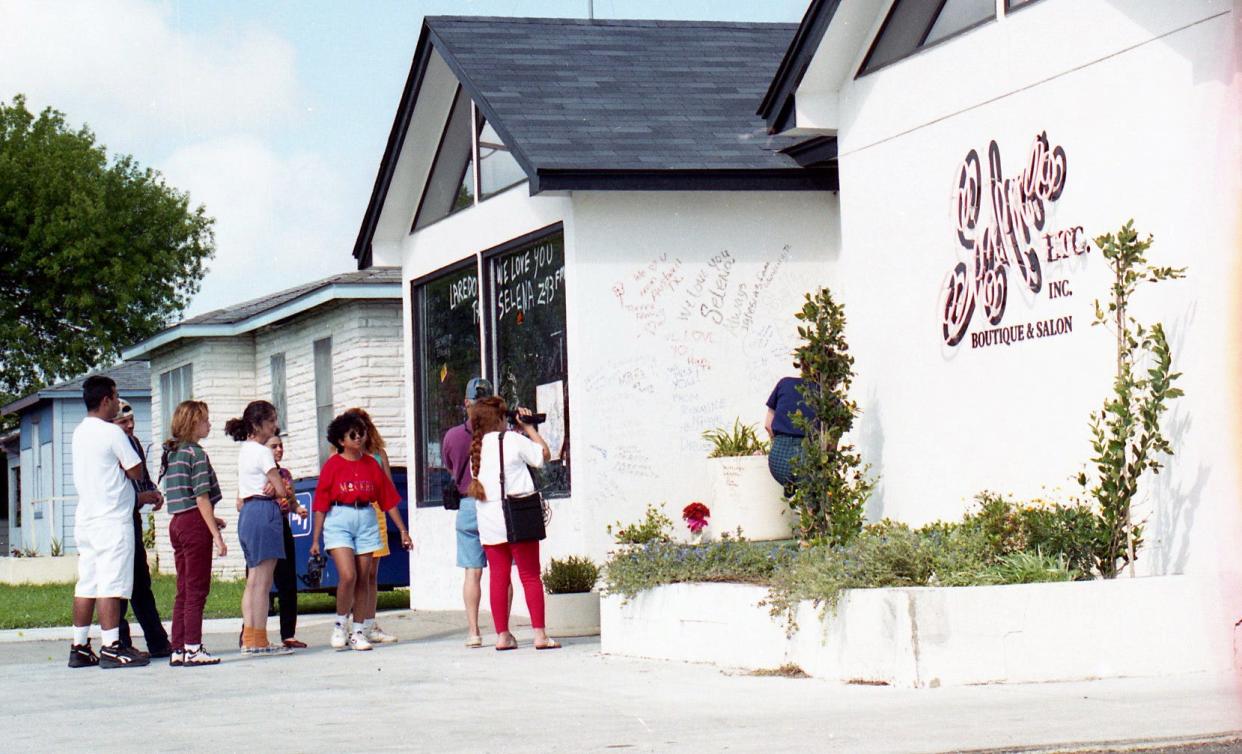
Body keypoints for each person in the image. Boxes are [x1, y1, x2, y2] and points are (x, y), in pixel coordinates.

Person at [67, 375, 150, 669]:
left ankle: (79, 646)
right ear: (105, 400)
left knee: (87, 582)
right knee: (111, 583)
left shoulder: (79, 433)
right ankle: (112, 646)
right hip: (113, 519)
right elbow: (137, 470)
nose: (117, 403)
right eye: (115, 397)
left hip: (87, 518)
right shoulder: (112, 433)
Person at [310, 412, 411, 651]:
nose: (359, 438)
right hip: (339, 518)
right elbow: (321, 502)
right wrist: (315, 539)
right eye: (352, 435)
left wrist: (403, 530)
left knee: (364, 577)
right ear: (341, 440)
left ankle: (358, 631)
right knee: (348, 575)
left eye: (361, 433)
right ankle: (339, 623)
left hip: (366, 517)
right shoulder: (333, 465)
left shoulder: (371, 464)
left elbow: (388, 499)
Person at [466, 396, 560, 651]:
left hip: (489, 520)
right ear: (500, 418)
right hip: (519, 514)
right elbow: (544, 456)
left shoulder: (476, 448)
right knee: (529, 575)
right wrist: (528, 427)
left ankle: (502, 635)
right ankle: (539, 635)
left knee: (499, 577)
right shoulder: (513, 440)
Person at [160, 400, 227, 666]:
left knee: (183, 588)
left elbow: (185, 497)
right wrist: (217, 536)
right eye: (205, 420)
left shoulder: (174, 454)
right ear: (193, 423)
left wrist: (213, 519)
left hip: (177, 523)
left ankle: (178, 647)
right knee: (197, 588)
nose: (209, 424)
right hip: (194, 526)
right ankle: (193, 647)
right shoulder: (196, 454)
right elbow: (201, 498)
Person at [226, 400, 293, 656]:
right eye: (271, 420)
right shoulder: (263, 452)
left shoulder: (245, 450)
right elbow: (280, 489)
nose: (275, 425)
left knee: (253, 579)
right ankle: (260, 639)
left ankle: (250, 637)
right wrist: (276, 485)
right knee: (264, 582)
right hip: (265, 511)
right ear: (257, 424)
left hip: (248, 513)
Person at [441, 377, 502, 649]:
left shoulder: (452, 436)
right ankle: (503, 629)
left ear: (466, 403)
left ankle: (474, 631)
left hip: (467, 503)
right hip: (494, 504)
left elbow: (449, 466)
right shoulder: (501, 435)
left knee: (472, 572)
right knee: (500, 570)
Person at [110, 399, 172, 660]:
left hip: (132, 519)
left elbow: (143, 479)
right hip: (113, 521)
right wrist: (139, 499)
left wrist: (153, 493)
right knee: (119, 583)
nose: (130, 425)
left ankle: (157, 641)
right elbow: (110, 492)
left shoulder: (133, 444)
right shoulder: (109, 447)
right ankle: (119, 641)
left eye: (131, 419)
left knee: (140, 581)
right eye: (123, 421)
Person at [345, 407, 398, 645]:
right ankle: (350, 623)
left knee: (372, 573)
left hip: (376, 511)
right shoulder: (342, 455)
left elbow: (388, 488)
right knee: (356, 572)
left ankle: (369, 623)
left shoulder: (378, 453)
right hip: (353, 512)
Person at [265, 433, 309, 649]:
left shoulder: (284, 474)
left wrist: (297, 508)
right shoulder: (258, 473)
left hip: (282, 526)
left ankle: (288, 634)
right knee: (259, 584)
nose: (279, 449)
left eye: (281, 445)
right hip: (264, 526)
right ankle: (252, 632)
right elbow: (240, 503)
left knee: (287, 582)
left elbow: (290, 501)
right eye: (274, 446)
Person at [765, 372, 818, 490]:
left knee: (792, 489)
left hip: (778, 457)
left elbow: (768, 425)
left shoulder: (784, 383)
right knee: (811, 496)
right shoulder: (825, 395)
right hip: (807, 452)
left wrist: (778, 443)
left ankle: (790, 493)